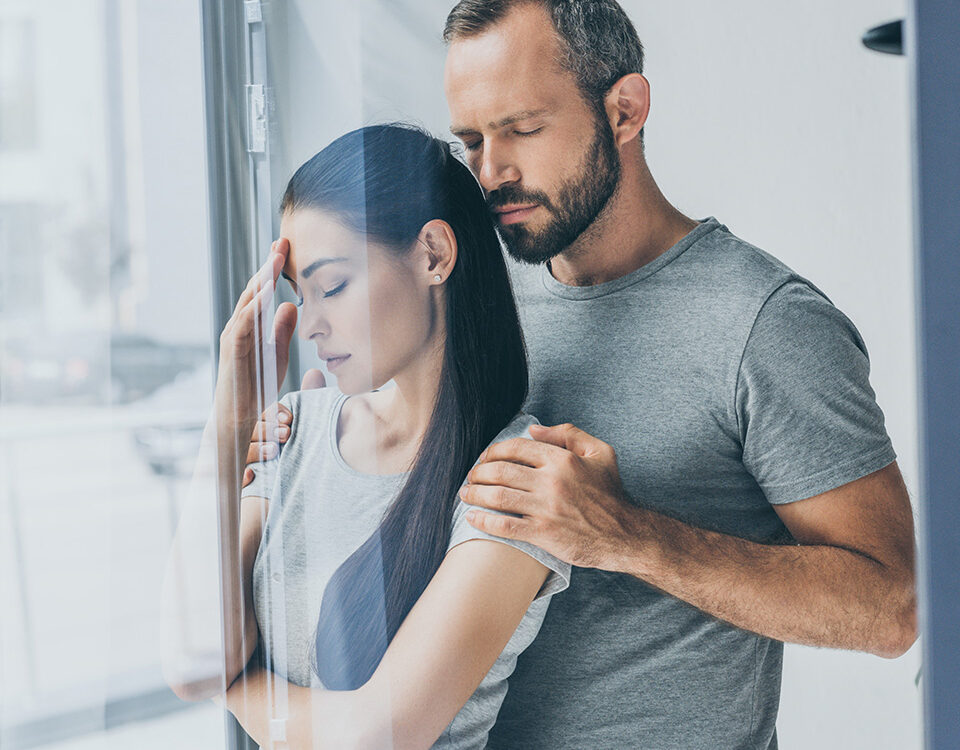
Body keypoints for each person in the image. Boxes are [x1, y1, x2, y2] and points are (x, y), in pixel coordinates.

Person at [245, 1, 918, 747]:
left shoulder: (766, 325)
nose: (490, 171)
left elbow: (892, 607)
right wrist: (298, 444)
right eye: (471, 139)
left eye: (523, 129)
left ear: (625, 109)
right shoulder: (472, 286)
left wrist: (630, 537)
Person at [162, 124, 570, 749]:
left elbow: (371, 739)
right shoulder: (296, 430)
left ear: (433, 254)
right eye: (302, 294)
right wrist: (226, 426)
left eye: (333, 287)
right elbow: (192, 658)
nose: (311, 325)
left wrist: (239, 681)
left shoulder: (515, 479)